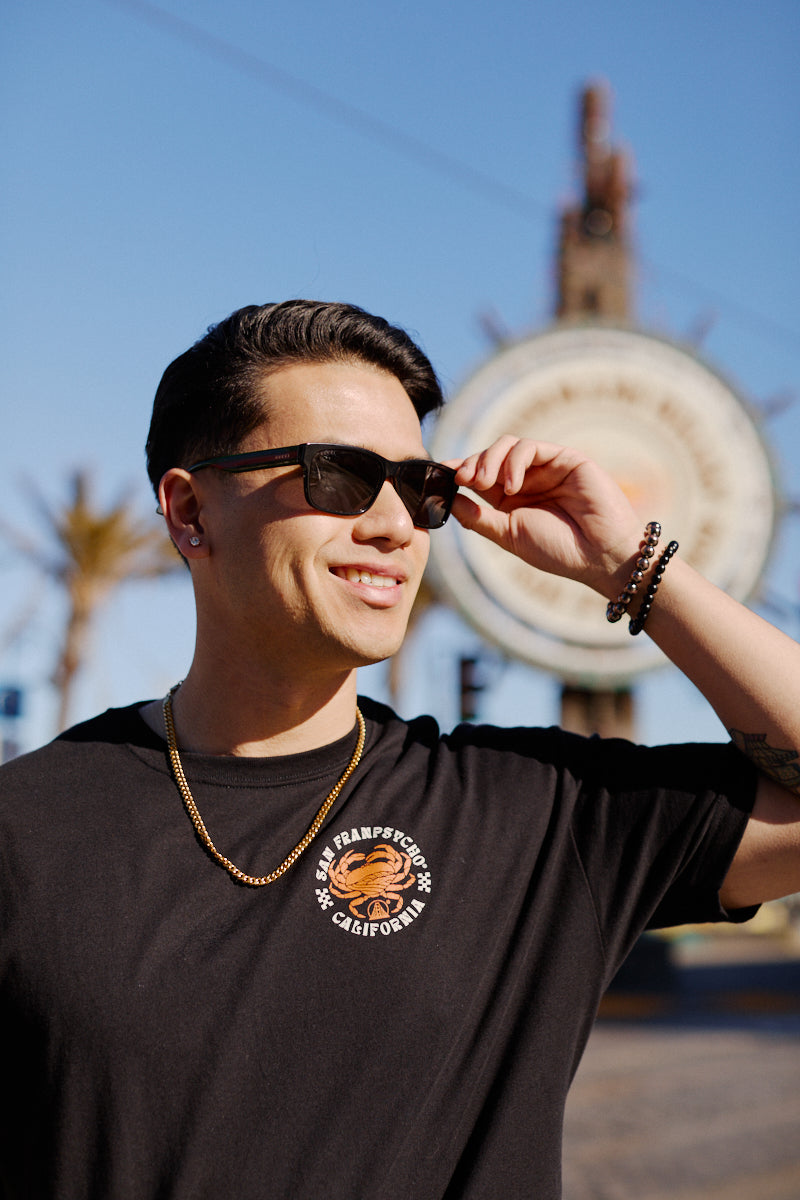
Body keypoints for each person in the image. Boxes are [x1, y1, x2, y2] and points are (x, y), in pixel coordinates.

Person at [2, 299, 799, 1200]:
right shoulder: (26, 830)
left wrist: (632, 566)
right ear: (190, 511)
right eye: (339, 475)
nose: (394, 526)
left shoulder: (537, 816)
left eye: (420, 489)